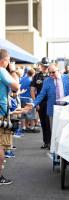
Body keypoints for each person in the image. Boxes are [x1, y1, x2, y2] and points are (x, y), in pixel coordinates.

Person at [24, 64, 69, 147]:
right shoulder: (47, 81)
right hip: (53, 110)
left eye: (53, 72)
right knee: (54, 131)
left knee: (66, 131)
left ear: (58, 70)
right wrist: (34, 103)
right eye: (50, 73)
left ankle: (64, 148)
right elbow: (41, 94)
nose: (51, 74)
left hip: (66, 109)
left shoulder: (67, 78)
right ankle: (55, 151)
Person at [0, 49, 20, 185]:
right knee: (1, 148)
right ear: (4, 61)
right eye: (8, 61)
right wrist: (12, 71)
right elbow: (15, 86)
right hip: (1, 114)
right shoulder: (1, 70)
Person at [30, 57, 51, 149]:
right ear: (41, 65)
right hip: (40, 103)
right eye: (43, 66)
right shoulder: (37, 76)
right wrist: (35, 103)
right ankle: (45, 142)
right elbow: (32, 90)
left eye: (46, 66)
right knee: (43, 123)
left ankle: (51, 143)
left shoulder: (52, 75)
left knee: (49, 123)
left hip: (50, 102)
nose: (45, 67)